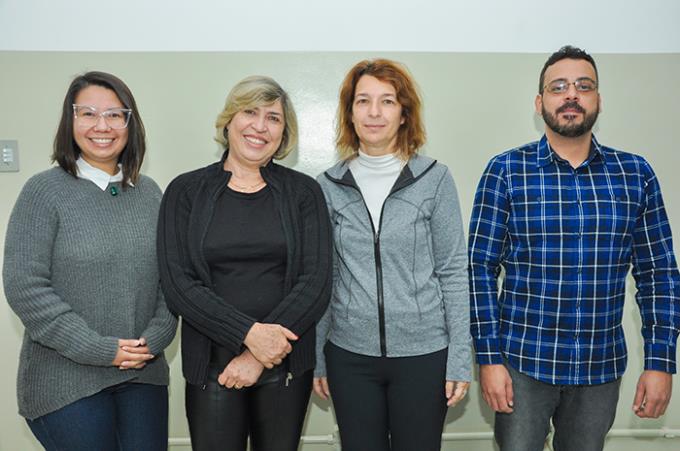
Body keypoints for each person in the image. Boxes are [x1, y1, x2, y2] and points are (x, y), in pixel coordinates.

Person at [469, 45, 680, 451]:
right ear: (539, 102)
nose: (571, 96)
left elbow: (659, 275)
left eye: (584, 87)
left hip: (598, 369)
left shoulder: (635, 174)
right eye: (558, 87)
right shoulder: (506, 172)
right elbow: (478, 268)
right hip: (521, 363)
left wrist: (660, 362)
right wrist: (488, 358)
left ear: (598, 100)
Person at [3, 71, 177, 451]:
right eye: (88, 114)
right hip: (66, 380)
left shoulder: (150, 194)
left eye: (115, 115)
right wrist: (100, 349)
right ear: (71, 122)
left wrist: (151, 341)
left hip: (142, 375)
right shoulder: (43, 191)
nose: (103, 125)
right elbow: (26, 287)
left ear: (131, 125)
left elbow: (172, 281)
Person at [157, 75, 332, 451]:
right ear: (228, 121)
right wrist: (249, 335)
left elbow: (315, 282)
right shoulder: (185, 191)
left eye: (273, 118)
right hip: (211, 366)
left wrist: (257, 355)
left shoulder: (304, 192)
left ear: (284, 134)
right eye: (250, 112)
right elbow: (178, 284)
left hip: (284, 365)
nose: (260, 126)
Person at [313, 59, 471, 451]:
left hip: (424, 355)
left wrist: (459, 358)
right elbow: (324, 278)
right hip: (350, 357)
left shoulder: (434, 179)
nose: (374, 112)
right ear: (350, 113)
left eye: (387, 101)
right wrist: (317, 357)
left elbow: (454, 272)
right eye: (363, 101)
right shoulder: (327, 186)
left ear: (404, 113)